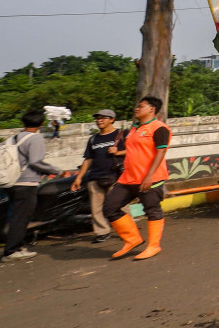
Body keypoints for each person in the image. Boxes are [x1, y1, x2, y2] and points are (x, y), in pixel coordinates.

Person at [103, 96, 172, 261]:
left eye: (141, 106)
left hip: (150, 178)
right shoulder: (134, 128)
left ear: (151, 109)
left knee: (152, 209)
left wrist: (149, 176)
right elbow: (132, 151)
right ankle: (132, 239)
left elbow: (161, 152)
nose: (136, 108)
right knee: (110, 208)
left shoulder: (159, 128)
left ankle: (153, 245)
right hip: (128, 178)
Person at [1, 110, 65, 262]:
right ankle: (11, 251)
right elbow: (35, 161)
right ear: (42, 123)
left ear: (23, 123)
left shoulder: (14, 138)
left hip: (10, 182)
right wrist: (57, 171)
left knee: (15, 215)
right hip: (26, 183)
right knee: (22, 217)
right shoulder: (36, 138)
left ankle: (17, 245)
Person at [71, 110, 125, 243]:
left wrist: (118, 152)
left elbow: (135, 150)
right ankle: (102, 232)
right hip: (95, 177)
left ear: (112, 119)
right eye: (97, 118)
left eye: (103, 118)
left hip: (116, 176)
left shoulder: (122, 135)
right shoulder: (93, 139)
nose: (99, 120)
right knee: (96, 208)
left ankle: (126, 230)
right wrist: (78, 178)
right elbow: (88, 159)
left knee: (120, 205)